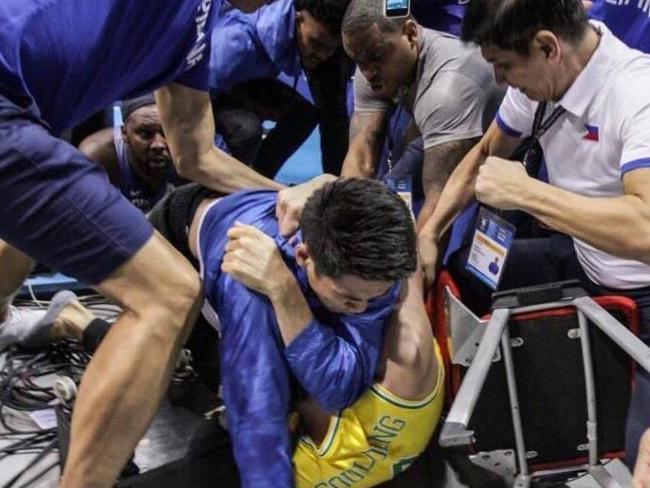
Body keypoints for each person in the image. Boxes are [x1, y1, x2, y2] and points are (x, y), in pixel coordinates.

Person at [0, 0, 285, 486]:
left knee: (33, 221)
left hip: (23, 117)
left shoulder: (196, 40)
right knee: (169, 293)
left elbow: (195, 156)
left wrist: (290, 195)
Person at [20, 178, 440, 487]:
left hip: (279, 245)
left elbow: (339, 385)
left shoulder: (370, 265)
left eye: (374, 299)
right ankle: (78, 325)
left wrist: (288, 295)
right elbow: (258, 420)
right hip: (184, 242)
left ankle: (81, 322)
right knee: (161, 361)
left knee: (295, 375)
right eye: (351, 299)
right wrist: (278, 291)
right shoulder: (248, 286)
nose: (363, 310)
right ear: (303, 254)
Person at [418, 0, 650, 469]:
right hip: (584, 258)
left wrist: (530, 195)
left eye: (505, 68)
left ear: (548, 47)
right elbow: (486, 152)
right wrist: (430, 232)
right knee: (460, 271)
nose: (501, 82)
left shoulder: (637, 94)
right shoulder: (542, 79)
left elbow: (646, 228)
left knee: (636, 463)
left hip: (643, 293)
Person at [339, 0, 501, 221]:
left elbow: (438, 208)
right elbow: (361, 157)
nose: (369, 73)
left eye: (376, 57)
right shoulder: (371, 61)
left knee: (434, 214)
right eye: (359, 62)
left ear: (411, 34)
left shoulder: (448, 92)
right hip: (432, 99)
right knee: (384, 191)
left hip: (509, 147)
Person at [210, 0, 351, 178]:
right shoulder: (235, 43)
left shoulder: (293, 32)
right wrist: (220, 159)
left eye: (330, 48)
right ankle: (227, 183)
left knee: (307, 112)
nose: (322, 55)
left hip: (237, 80)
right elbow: (190, 105)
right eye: (316, 43)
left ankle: (260, 176)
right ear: (298, 19)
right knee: (246, 131)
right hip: (198, 92)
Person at [79, 94, 176, 213]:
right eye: (146, 134)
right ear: (124, 133)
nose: (158, 145)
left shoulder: (191, 151)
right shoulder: (99, 155)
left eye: (166, 132)